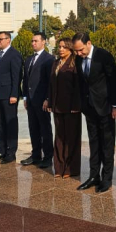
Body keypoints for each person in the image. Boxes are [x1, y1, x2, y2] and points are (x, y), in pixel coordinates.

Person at [73, 32, 116, 194]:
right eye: (76, 51)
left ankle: (106, 179)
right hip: (89, 108)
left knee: (107, 144)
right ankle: (94, 176)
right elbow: (80, 82)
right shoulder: (79, 58)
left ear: (88, 43)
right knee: (94, 143)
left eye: (80, 50)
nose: (79, 54)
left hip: (105, 107)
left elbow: (114, 80)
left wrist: (115, 105)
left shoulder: (103, 56)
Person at [45, 37, 82, 178]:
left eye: (64, 47)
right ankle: (59, 168)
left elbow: (78, 87)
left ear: (70, 49)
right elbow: (51, 84)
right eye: (59, 47)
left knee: (71, 138)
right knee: (59, 137)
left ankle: (70, 169)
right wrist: (49, 101)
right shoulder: (55, 63)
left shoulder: (75, 63)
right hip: (57, 106)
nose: (61, 49)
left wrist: (76, 105)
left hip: (72, 107)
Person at [0, 31, 23, 164]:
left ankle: (11, 152)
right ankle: (1, 150)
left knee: (10, 124)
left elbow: (16, 76)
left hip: (8, 96)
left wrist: (14, 94)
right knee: (0, 125)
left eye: (0, 39)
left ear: (9, 40)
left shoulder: (14, 55)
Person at [21, 32, 55, 169]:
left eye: (36, 41)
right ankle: (35, 155)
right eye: (32, 41)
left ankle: (47, 157)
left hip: (42, 101)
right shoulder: (29, 59)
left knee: (45, 129)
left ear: (43, 42)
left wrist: (48, 98)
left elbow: (50, 81)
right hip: (30, 100)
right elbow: (26, 79)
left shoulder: (49, 59)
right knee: (33, 128)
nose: (33, 43)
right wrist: (24, 97)